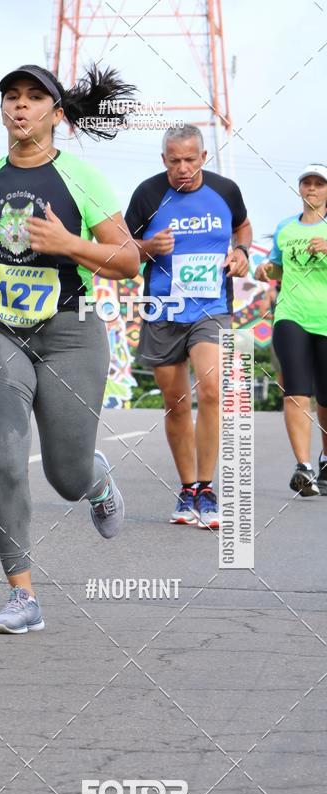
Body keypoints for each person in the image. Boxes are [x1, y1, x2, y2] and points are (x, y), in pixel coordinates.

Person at [0, 63, 140, 634]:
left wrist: (68, 243)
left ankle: (96, 481)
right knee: (5, 457)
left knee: (65, 474)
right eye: (11, 96)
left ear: (57, 114)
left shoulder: (82, 177)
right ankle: (22, 595)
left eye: (33, 97)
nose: (20, 105)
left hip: (70, 331)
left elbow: (128, 260)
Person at [125, 124, 252, 528]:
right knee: (176, 402)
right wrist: (148, 247)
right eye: (174, 161)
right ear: (164, 159)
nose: (182, 168)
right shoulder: (147, 194)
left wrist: (242, 252)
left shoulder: (225, 190)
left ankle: (207, 488)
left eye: (190, 160)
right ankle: (187, 489)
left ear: (203, 157)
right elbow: (121, 250)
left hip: (211, 308)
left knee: (211, 389)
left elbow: (243, 226)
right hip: (162, 309)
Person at [255, 164, 327, 496]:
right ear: (300, 188)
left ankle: (325, 459)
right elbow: (277, 268)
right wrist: (265, 269)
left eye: (319, 184)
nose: (312, 188)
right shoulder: (286, 227)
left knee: (325, 396)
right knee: (296, 388)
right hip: (290, 314)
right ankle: (304, 467)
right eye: (306, 183)